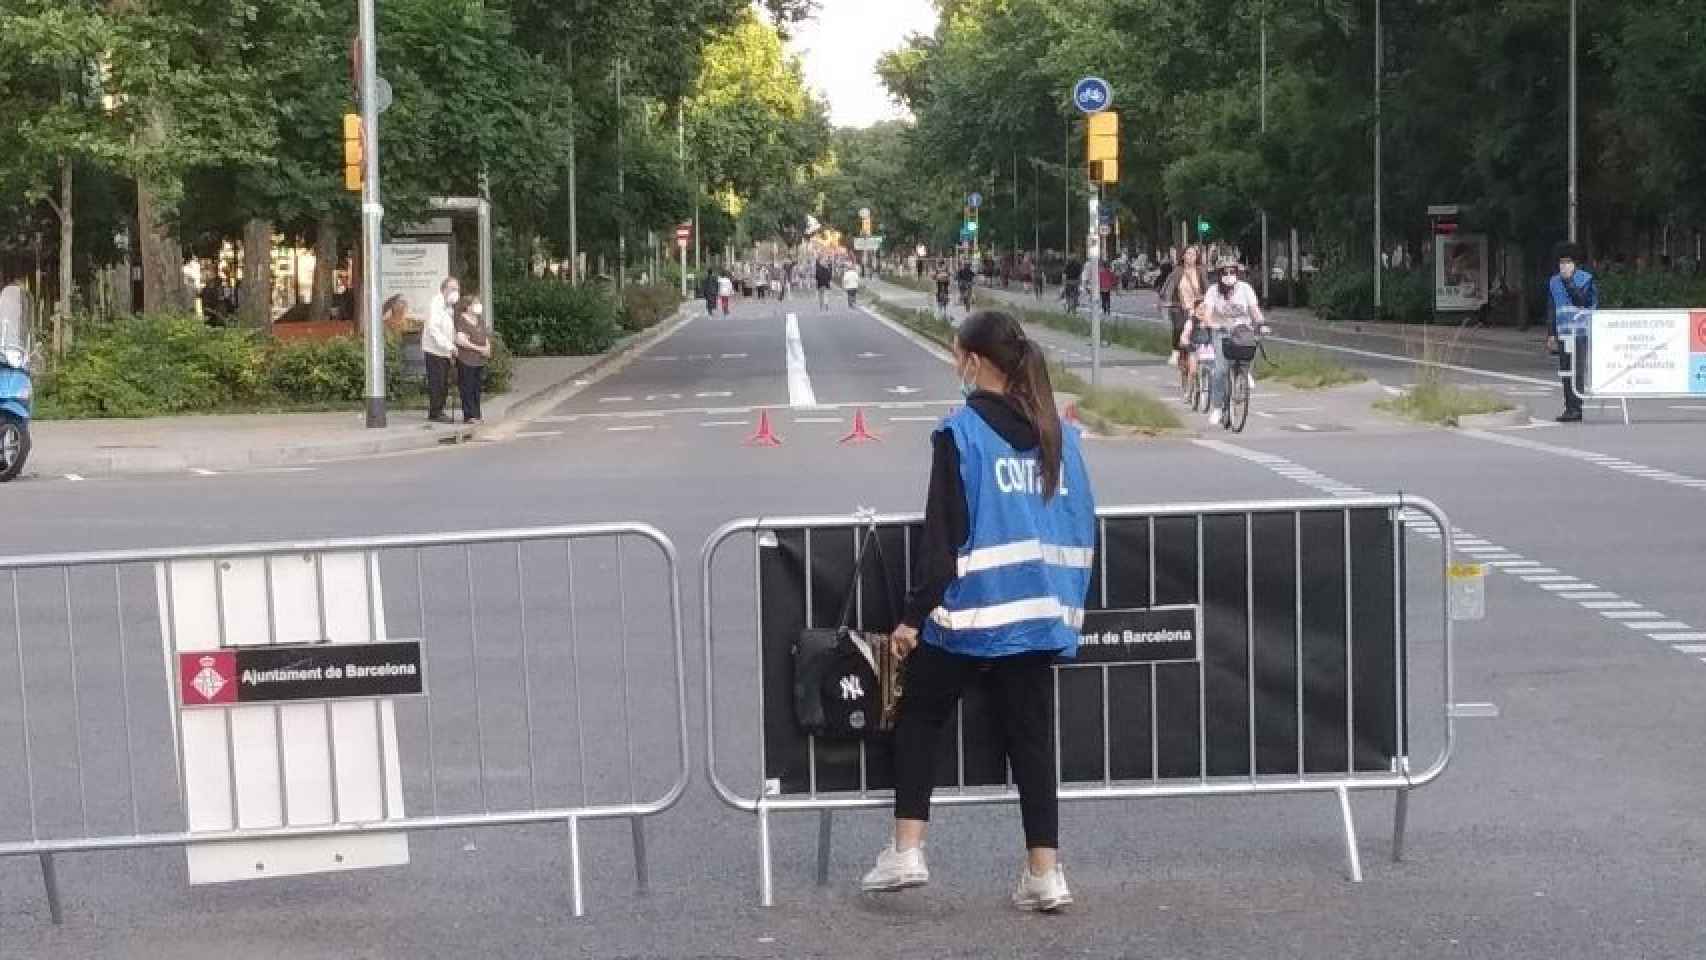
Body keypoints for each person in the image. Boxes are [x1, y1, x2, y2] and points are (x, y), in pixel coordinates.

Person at [862, 308, 1096, 913]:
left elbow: (942, 540)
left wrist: (913, 619)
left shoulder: (961, 431)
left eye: (955, 354)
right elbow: (1079, 522)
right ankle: (1044, 873)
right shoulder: (1060, 434)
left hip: (971, 614)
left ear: (971, 361)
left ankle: (907, 850)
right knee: (1032, 739)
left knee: (920, 716)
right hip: (1039, 612)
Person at [1200, 259, 1265, 426]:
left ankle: (1245, 372)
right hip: (1221, 332)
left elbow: (1254, 310)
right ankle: (1217, 407)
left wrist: (1260, 323)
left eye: (1232, 272)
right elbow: (1207, 313)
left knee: (1250, 347)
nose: (1229, 276)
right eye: (1225, 272)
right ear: (1219, 275)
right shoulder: (1213, 291)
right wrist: (1212, 323)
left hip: (1242, 330)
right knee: (1220, 370)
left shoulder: (1245, 288)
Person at [1547, 242, 1597, 423]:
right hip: (1563, 331)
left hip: (1580, 332)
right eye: (1561, 262)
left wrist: (1568, 281)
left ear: (1575, 263)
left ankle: (1577, 408)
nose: (1564, 266)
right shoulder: (1553, 282)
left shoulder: (1585, 279)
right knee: (1565, 370)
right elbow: (1552, 308)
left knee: (1577, 370)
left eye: (1568, 262)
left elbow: (1581, 301)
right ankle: (1569, 407)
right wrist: (1551, 333)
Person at [1161, 245, 1206, 390]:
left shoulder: (1201, 271)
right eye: (1188, 254)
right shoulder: (1177, 272)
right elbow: (1168, 290)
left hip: (1197, 308)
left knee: (1206, 330)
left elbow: (1208, 288)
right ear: (1183, 256)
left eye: (1193, 254)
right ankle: (1175, 351)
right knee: (1179, 327)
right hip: (1180, 308)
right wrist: (1168, 302)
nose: (1190, 257)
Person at [423, 277, 459, 423]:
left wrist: (452, 344)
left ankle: (439, 409)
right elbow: (434, 329)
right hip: (435, 350)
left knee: (443, 382)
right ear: (444, 289)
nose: (456, 292)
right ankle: (435, 412)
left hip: (443, 350)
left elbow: (449, 328)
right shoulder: (436, 303)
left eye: (457, 289)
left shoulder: (448, 305)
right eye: (453, 289)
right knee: (437, 382)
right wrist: (449, 346)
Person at [453, 295, 492, 424]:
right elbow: (461, 340)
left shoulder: (479, 320)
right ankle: (469, 415)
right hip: (466, 360)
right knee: (467, 387)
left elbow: (484, 336)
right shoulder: (462, 320)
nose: (478, 305)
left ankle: (477, 414)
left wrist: (487, 347)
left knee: (476, 387)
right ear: (468, 306)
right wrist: (478, 348)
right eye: (475, 303)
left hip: (479, 360)